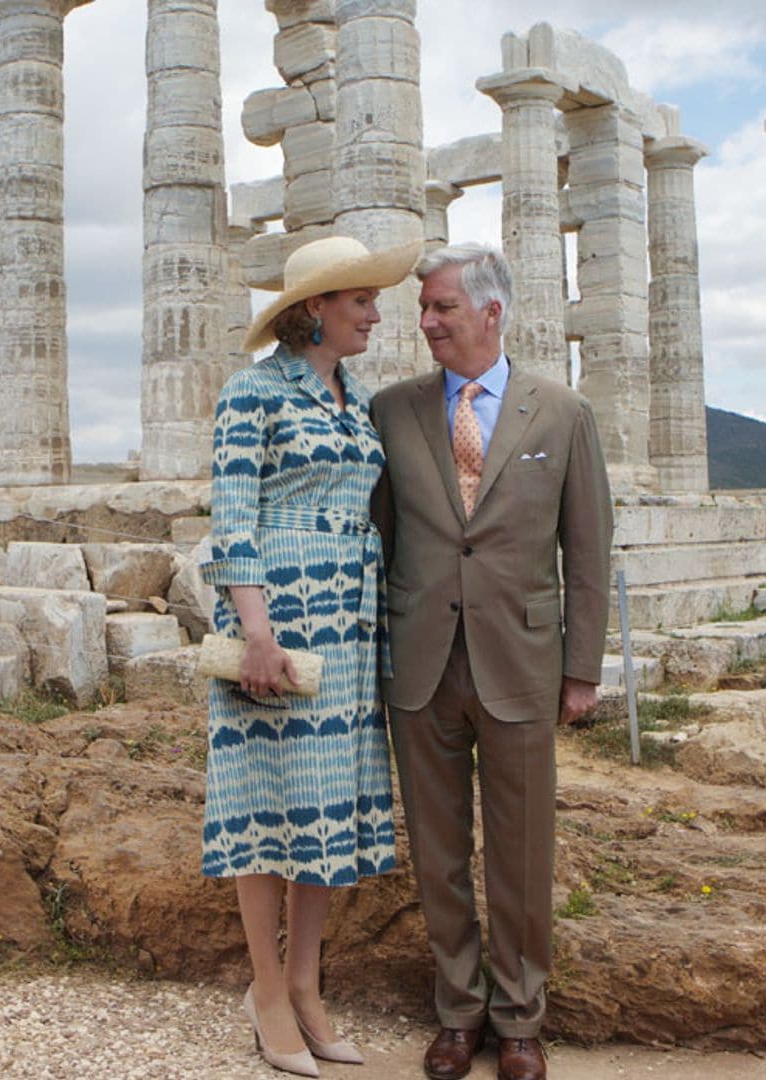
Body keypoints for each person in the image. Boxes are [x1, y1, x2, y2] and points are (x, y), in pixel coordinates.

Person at [370, 243, 613, 1080]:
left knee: (521, 849)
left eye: (441, 307)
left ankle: (519, 1020)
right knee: (437, 851)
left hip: (523, 662)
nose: (427, 322)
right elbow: (382, 538)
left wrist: (583, 670)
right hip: (421, 663)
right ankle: (457, 1014)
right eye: (425, 310)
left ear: (491, 312)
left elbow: (586, 552)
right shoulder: (391, 411)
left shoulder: (562, 413)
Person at [200, 235, 422, 1077]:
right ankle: (264, 990)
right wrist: (255, 629)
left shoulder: (354, 400)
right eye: (360, 300)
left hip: (352, 622)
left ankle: (305, 987)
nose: (374, 313)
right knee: (266, 807)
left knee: (326, 811)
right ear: (316, 309)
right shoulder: (251, 390)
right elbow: (232, 516)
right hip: (279, 618)